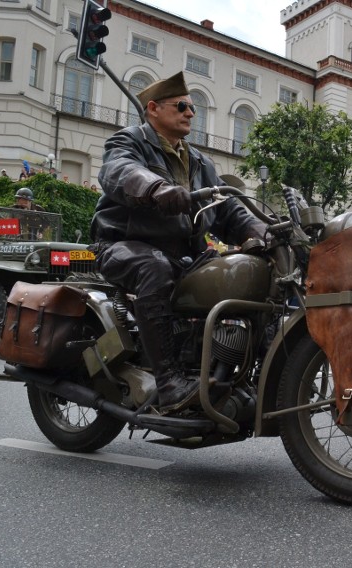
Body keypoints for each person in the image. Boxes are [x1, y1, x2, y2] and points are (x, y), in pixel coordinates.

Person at [90, 71, 266, 413]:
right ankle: (170, 383)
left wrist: (261, 231)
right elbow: (120, 171)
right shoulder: (129, 141)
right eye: (182, 105)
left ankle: (239, 373)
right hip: (125, 245)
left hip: (186, 255)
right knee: (154, 267)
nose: (190, 113)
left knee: (246, 273)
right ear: (153, 108)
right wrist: (156, 189)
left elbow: (229, 210)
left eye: (193, 108)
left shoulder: (200, 161)